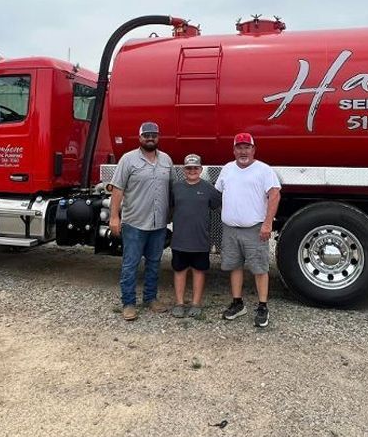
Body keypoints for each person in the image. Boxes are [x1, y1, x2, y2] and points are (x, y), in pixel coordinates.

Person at [109, 121, 173, 321]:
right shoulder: (128, 160)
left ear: (158, 137)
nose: (150, 138)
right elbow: (117, 189)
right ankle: (128, 303)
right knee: (130, 264)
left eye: (154, 135)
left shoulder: (166, 160)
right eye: (146, 135)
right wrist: (114, 217)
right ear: (140, 138)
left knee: (154, 262)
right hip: (134, 222)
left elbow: (171, 191)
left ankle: (150, 298)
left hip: (158, 223)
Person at [216, 132, 281, 328]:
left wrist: (268, 223)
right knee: (234, 266)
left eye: (247, 147)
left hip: (255, 229)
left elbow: (274, 195)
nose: (243, 151)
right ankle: (238, 303)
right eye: (239, 147)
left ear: (253, 150)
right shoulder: (227, 169)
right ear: (234, 150)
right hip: (230, 229)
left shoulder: (264, 170)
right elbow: (218, 193)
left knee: (260, 268)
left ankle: (262, 306)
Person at [170, 154, 222, 319]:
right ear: (183, 170)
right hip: (179, 241)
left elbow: (216, 205)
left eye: (195, 168)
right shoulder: (176, 187)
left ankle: (196, 303)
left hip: (200, 241)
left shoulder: (208, 188)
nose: (192, 171)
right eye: (188, 168)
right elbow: (170, 207)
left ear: (200, 169)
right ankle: (179, 303)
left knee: (199, 272)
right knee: (179, 271)